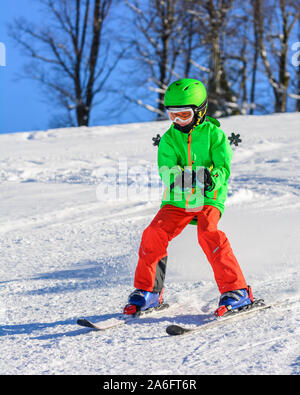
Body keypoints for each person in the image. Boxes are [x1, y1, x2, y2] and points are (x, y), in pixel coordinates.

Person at [123, 78, 254, 318]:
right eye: (172, 115)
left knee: (208, 234)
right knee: (153, 233)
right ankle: (149, 291)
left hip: (208, 198)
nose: (177, 121)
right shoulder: (169, 138)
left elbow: (223, 167)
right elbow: (166, 169)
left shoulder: (215, 135)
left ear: (200, 111)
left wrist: (211, 177)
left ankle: (237, 290)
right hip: (177, 200)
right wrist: (182, 179)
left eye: (183, 115)